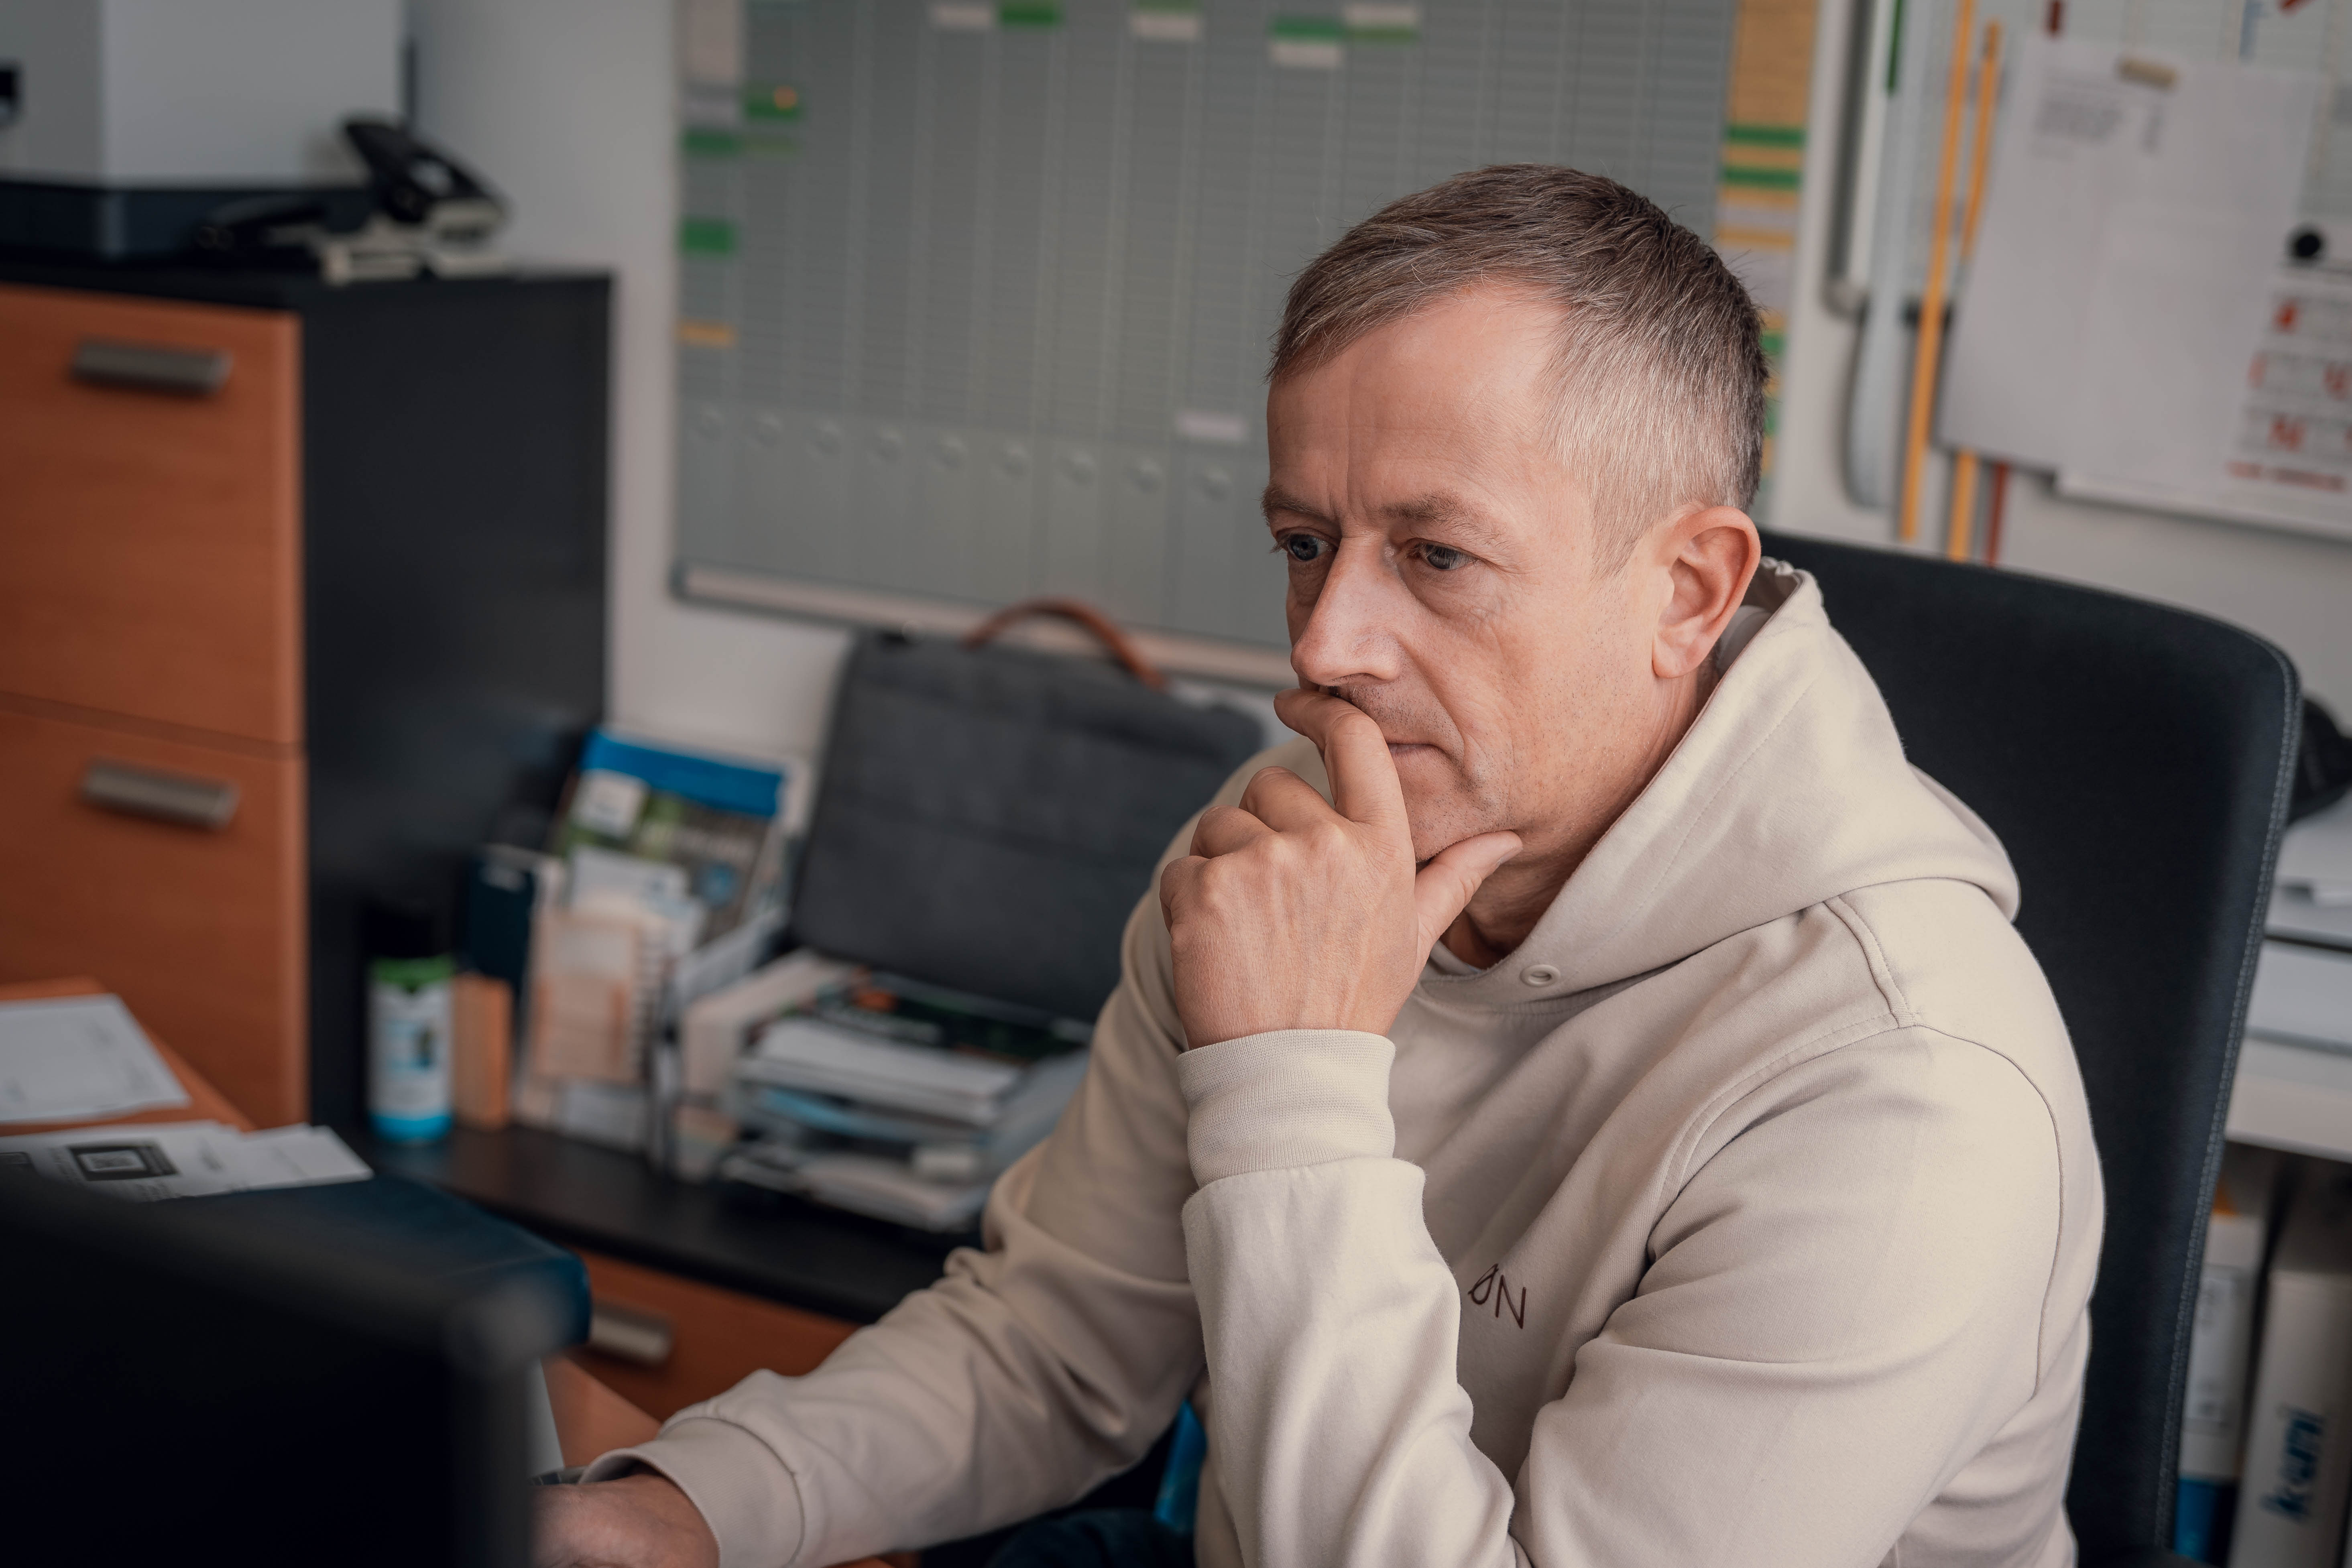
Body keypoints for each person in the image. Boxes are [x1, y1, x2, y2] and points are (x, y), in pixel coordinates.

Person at [537, 165, 2102, 1568]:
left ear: (1688, 591)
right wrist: (682, 1506)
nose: (1325, 649)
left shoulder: (1905, 1086)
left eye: (1434, 555)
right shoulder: (1297, 830)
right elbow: (1056, 1339)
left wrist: (1293, 1080)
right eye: (1305, 542)